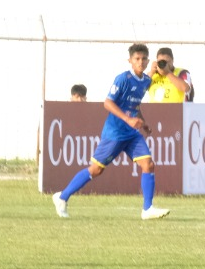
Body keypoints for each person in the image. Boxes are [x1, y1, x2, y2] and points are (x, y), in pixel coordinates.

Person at [51, 43, 171, 220]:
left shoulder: (146, 81)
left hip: (131, 134)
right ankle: (62, 197)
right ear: (130, 60)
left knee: (148, 164)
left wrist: (142, 122)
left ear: (147, 61)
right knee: (96, 170)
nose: (141, 62)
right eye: (137, 59)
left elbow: (134, 104)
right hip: (115, 132)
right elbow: (108, 103)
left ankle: (147, 209)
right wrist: (128, 119)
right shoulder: (122, 79)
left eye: (144, 59)